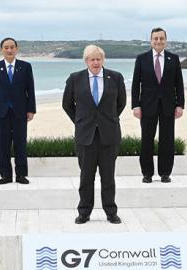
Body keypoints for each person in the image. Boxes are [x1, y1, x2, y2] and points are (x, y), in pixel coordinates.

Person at [62, 45, 126, 224]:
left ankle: (111, 212)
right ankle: (84, 212)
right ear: (86, 61)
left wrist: (108, 119)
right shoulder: (75, 79)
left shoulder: (115, 77)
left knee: (108, 177)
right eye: (92, 59)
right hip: (85, 136)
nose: (96, 62)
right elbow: (67, 105)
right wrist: (80, 121)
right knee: (86, 177)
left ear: (103, 60)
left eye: (99, 59)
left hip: (109, 135)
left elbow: (120, 103)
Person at [131, 27, 185, 183]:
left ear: (165, 41)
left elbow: (179, 84)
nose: (159, 41)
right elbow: (136, 84)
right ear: (151, 41)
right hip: (147, 106)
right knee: (147, 139)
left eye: (161, 38)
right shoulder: (141, 59)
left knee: (167, 140)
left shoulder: (173, 59)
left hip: (169, 105)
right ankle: (147, 173)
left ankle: (165, 173)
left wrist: (180, 104)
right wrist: (136, 105)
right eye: (156, 38)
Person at [0, 37, 36, 185]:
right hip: (1, 111)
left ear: (16, 49)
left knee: (20, 144)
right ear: (1, 50)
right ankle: (6, 175)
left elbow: (30, 89)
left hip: (20, 111)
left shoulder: (25, 67)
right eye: (6, 47)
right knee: (3, 144)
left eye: (12, 47)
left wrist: (31, 109)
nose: (9, 50)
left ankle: (21, 175)